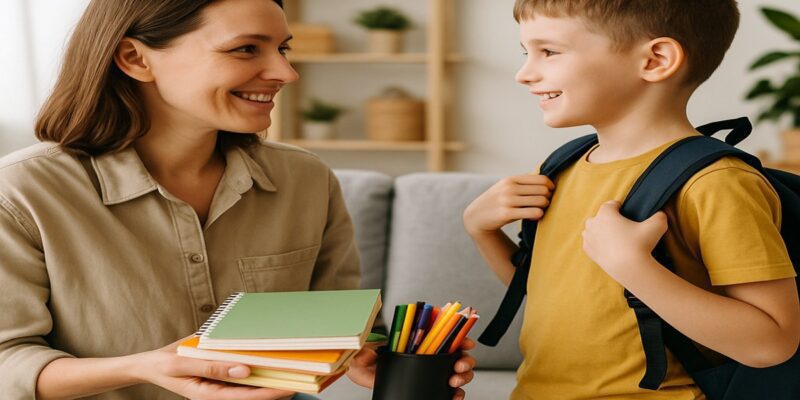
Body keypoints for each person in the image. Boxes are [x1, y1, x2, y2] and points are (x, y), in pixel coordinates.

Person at [0, 0, 476, 399]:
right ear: (135, 58)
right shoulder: (23, 192)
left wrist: (371, 355)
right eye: (246, 48)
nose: (285, 72)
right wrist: (142, 367)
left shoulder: (305, 180)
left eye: (282, 48)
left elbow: (335, 322)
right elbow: (8, 360)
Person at [463, 0, 800, 399]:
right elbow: (557, 294)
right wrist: (481, 229)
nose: (524, 74)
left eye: (549, 52)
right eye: (526, 53)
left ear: (656, 59)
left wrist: (633, 267)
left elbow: (771, 342)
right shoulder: (562, 167)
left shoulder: (717, 183)